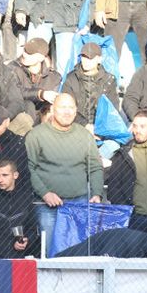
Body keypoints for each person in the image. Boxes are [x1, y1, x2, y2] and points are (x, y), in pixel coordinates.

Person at [26, 92, 104, 253]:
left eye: (71, 108)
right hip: (47, 206)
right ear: (53, 109)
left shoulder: (84, 135)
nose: (67, 112)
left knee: (78, 253)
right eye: (62, 107)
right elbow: (28, 168)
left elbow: (95, 167)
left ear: (76, 111)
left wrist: (97, 193)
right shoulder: (36, 135)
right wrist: (45, 193)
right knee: (51, 253)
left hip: (79, 204)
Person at [107, 111, 147, 233]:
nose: (137, 130)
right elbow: (114, 187)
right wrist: (126, 211)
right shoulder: (123, 154)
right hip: (134, 218)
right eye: (135, 126)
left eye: (143, 126)